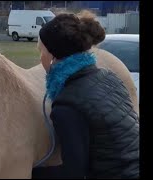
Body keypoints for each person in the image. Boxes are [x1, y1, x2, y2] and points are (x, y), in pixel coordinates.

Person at [32, 10, 139, 179]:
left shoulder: (67, 105)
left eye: (41, 52)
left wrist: (29, 172)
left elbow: (73, 173)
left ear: (52, 57)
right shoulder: (108, 76)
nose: (40, 59)